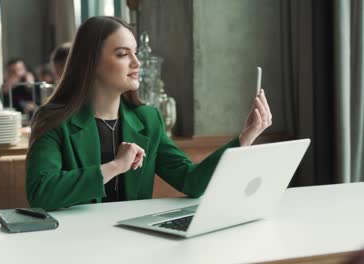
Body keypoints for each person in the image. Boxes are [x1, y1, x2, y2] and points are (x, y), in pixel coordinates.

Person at [26, 16, 272, 211]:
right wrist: (114, 166)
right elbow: (42, 194)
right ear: (91, 62)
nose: (137, 62)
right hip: (76, 247)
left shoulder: (147, 119)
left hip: (136, 245)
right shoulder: (55, 121)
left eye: (135, 53)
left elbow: (191, 181)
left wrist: (244, 138)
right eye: (123, 54)